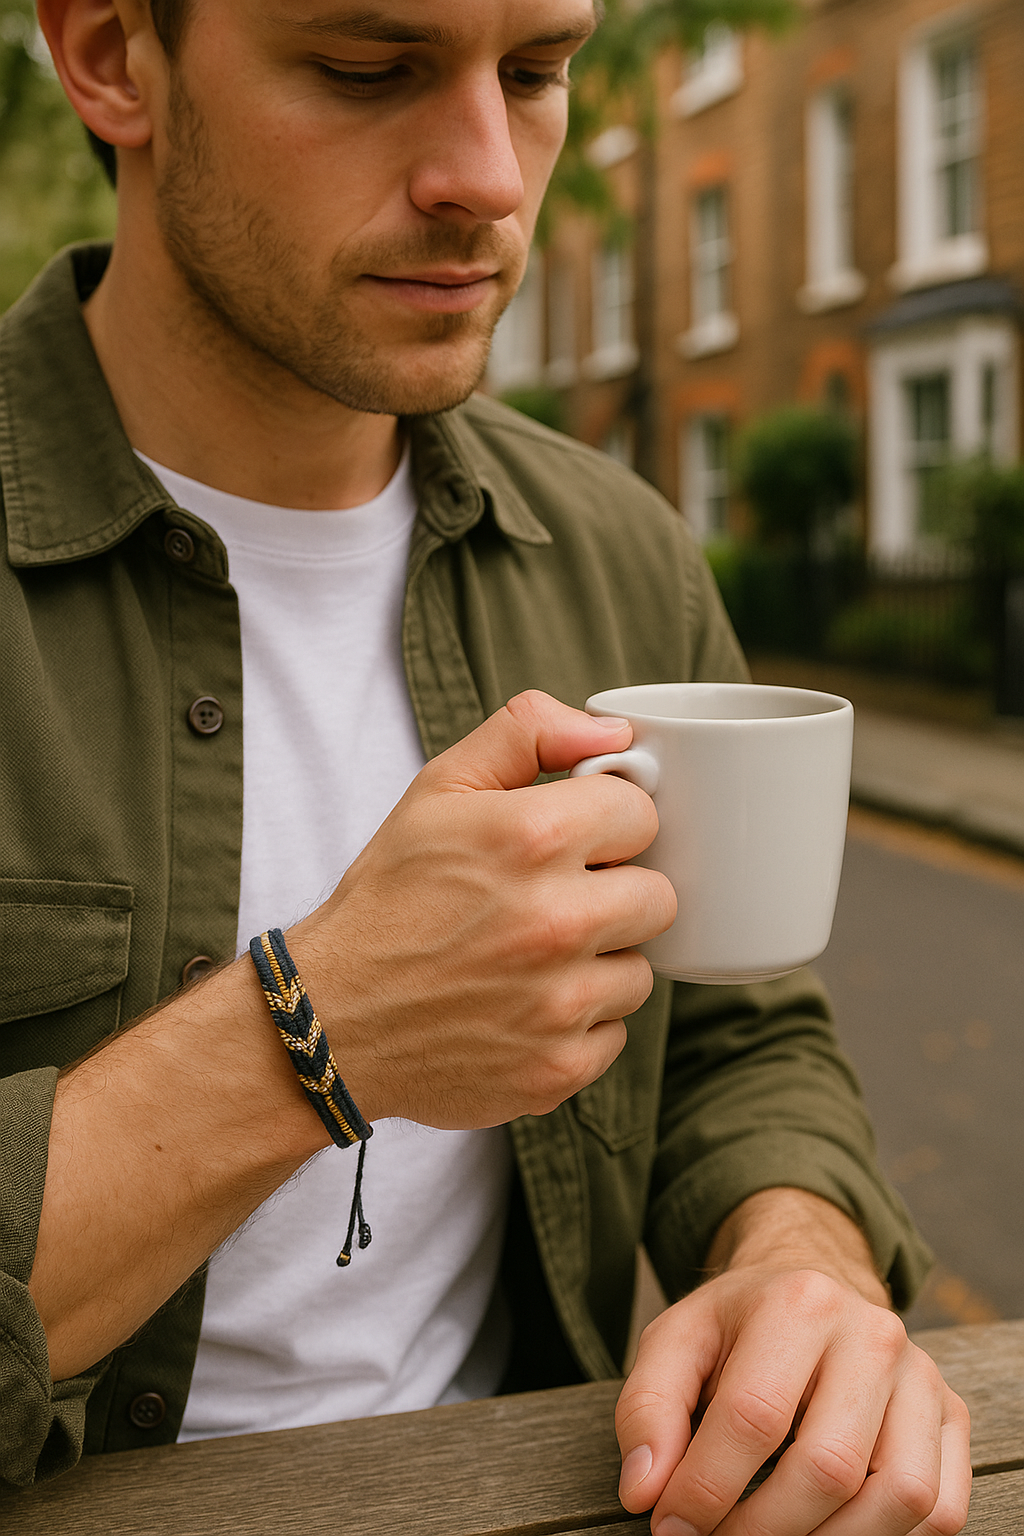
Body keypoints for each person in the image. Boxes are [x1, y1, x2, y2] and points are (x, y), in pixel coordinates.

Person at [0, 0, 969, 1529]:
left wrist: (799, 1256)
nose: (491, 177)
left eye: (535, 73)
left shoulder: (624, 559)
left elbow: (738, 1040)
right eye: (367, 69)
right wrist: (313, 1032)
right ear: (115, 54)